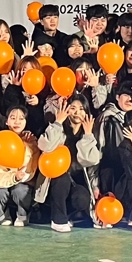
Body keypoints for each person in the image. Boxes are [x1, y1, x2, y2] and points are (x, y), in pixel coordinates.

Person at [35, 94, 101, 232]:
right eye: (73, 108)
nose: (77, 112)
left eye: (81, 109)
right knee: (62, 177)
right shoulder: (58, 129)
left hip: (75, 184)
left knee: (82, 199)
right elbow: (44, 145)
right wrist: (58, 122)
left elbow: (91, 160)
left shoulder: (88, 133)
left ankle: (67, 215)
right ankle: (58, 220)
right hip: (54, 183)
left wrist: (88, 135)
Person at [0, 106, 38, 226]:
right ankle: (2, 214)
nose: (17, 122)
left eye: (21, 118)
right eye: (13, 117)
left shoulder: (31, 141)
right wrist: (13, 177)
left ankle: (23, 214)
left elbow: (31, 170)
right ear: (6, 121)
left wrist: (28, 145)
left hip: (22, 182)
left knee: (21, 190)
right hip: (3, 181)